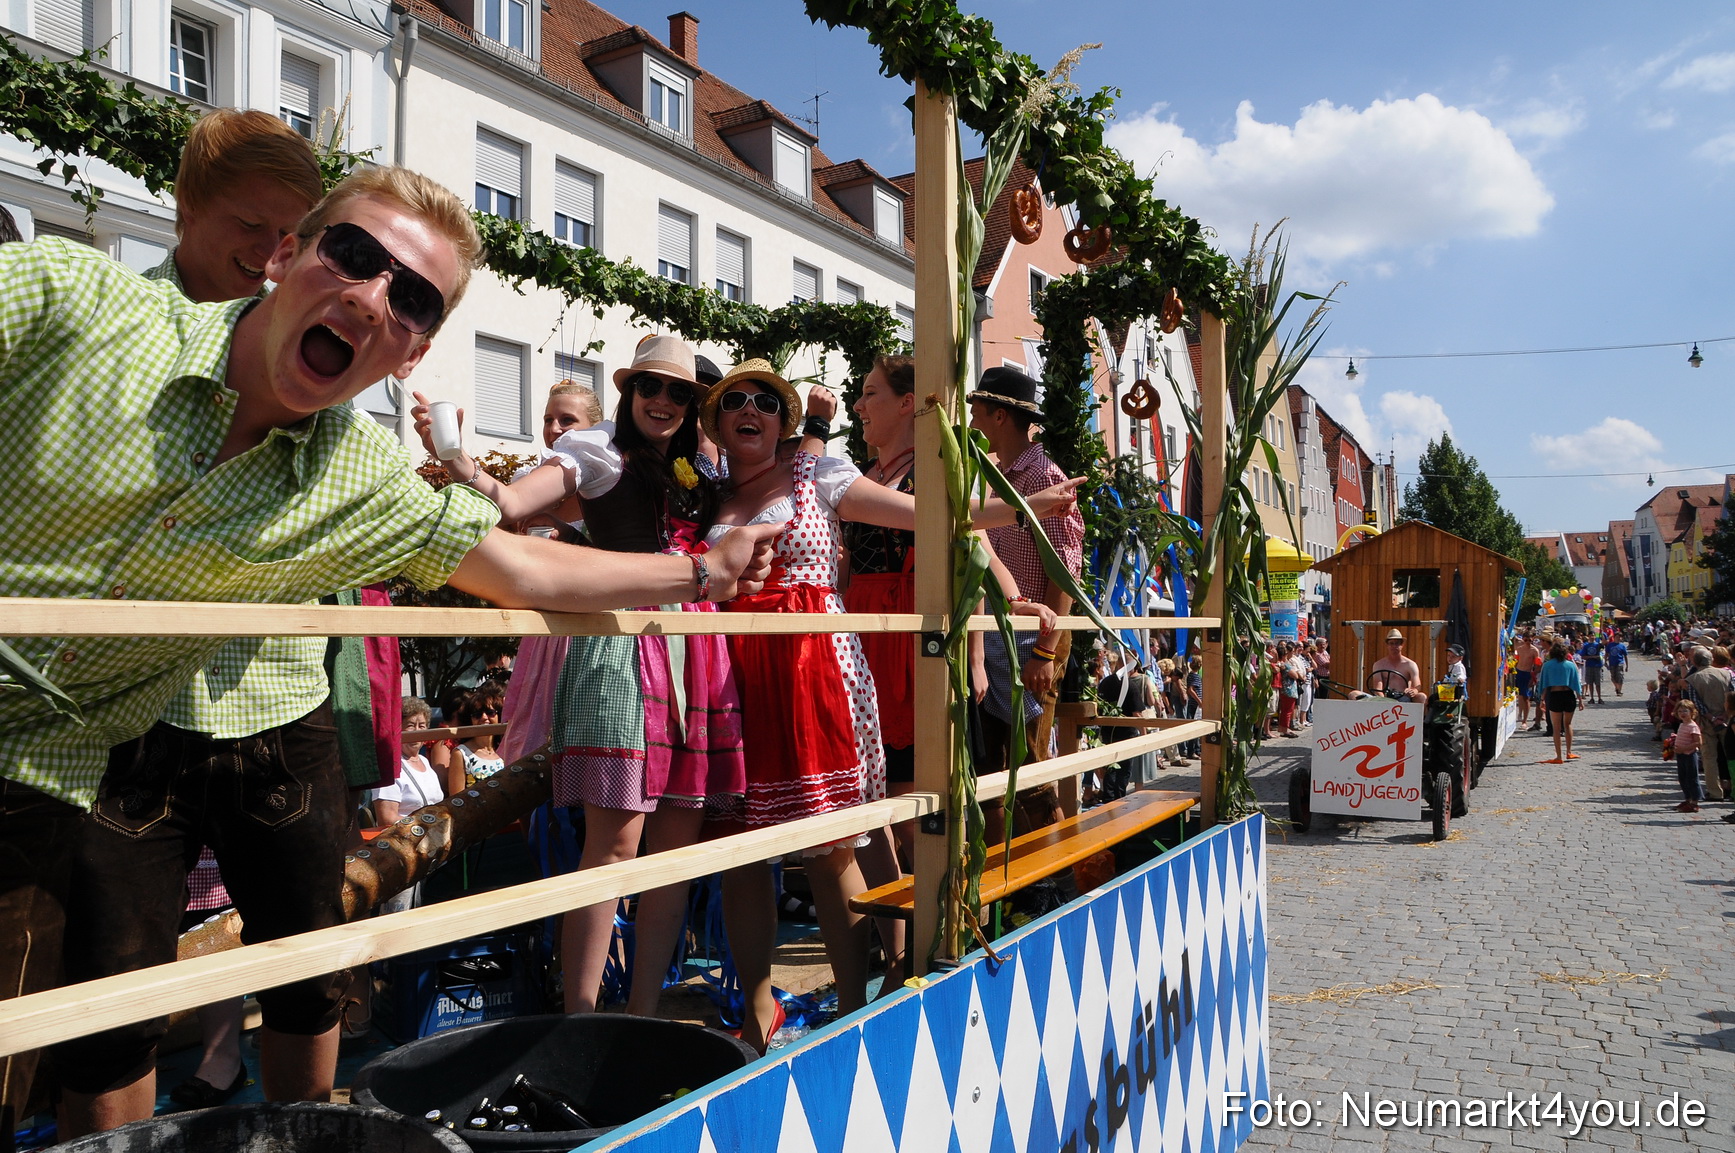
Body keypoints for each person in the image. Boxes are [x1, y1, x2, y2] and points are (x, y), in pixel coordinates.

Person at [5, 165, 777, 1137]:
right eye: (353, 255)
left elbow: (519, 568)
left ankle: (294, 1129)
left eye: (410, 297)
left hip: (65, 769)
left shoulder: (361, 476)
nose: (371, 297)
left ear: (412, 348)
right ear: (285, 256)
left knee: (289, 971)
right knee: (108, 1012)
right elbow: (517, 521)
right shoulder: (73, 301)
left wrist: (704, 572)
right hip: (92, 759)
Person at [700, 360, 1078, 1049]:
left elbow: (944, 521)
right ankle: (759, 1017)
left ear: (785, 422)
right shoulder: (704, 495)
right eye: (733, 401)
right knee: (743, 847)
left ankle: (860, 1002)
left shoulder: (824, 474)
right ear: (716, 424)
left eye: (764, 400)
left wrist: (1020, 515)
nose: (748, 409)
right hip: (734, 674)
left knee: (841, 836)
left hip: (819, 665)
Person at [415, 332, 747, 1019]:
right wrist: (455, 457)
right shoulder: (596, 450)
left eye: (678, 392)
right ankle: (583, 1020)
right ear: (629, 392)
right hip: (619, 642)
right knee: (614, 845)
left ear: (692, 405)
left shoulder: (697, 469)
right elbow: (510, 504)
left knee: (671, 852)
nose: (662, 400)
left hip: (693, 649)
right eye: (649, 386)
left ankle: (642, 1018)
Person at [125, 108, 327, 1121]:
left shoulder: (311, 336)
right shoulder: (121, 323)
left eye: (291, 235)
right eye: (253, 226)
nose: (271, 255)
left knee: (307, 967)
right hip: (133, 701)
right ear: (187, 204)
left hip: (281, 691)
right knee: (109, 1004)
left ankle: (308, 1143)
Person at [967, 367, 1086, 824]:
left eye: (977, 409)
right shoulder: (1003, 473)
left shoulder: (1041, 477)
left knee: (1031, 770)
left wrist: (1044, 652)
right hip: (1008, 633)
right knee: (995, 770)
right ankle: (1020, 883)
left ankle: (1055, 886)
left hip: (1033, 637)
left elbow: (1066, 575)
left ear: (999, 415)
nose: (972, 419)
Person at [1681, 648, 1730, 803]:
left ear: (1694, 661)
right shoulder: (1727, 674)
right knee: (1730, 756)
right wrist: (1724, 714)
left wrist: (1712, 717)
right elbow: (1731, 695)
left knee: (1709, 758)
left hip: (1707, 722)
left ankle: (1715, 792)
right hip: (1727, 720)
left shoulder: (1693, 679)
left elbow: (1696, 703)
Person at [1536, 641, 1583, 764]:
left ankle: (1558, 756)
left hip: (1555, 696)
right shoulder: (1571, 665)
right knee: (1567, 724)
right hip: (1568, 695)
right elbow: (1576, 684)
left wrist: (1542, 700)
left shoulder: (1547, 665)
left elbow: (1544, 684)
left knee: (1556, 728)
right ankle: (1569, 752)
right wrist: (1580, 700)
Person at [1368, 629, 1427, 702]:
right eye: (1391, 643)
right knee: (1354, 694)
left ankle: (1421, 713)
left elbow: (1417, 686)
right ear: (1387, 645)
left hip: (1404, 698)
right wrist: (1385, 701)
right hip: (1385, 698)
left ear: (1402, 645)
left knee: (1422, 696)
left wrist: (1413, 691)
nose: (1394, 646)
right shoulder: (1379, 665)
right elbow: (1378, 689)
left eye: (1397, 643)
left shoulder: (1410, 664)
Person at [1671, 699, 1704, 814]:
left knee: (1692, 778)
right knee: (1683, 778)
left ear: (1692, 712)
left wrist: (1684, 748)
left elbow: (1698, 742)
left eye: (1685, 711)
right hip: (1681, 755)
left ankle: (1695, 802)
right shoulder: (1682, 724)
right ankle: (1688, 799)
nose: (1682, 713)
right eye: (1680, 711)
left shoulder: (1692, 726)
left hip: (1690, 755)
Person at [1512, 631, 1539, 728]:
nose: (1527, 642)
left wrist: (1533, 677)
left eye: (1529, 640)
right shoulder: (1519, 649)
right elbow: (1515, 661)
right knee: (1519, 695)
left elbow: (1537, 665)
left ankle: (1525, 720)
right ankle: (1520, 714)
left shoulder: (1534, 650)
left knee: (1526, 697)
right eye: (1525, 640)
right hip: (1519, 672)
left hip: (1527, 673)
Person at [1579, 635, 1605, 705]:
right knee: (1590, 683)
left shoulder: (1598, 645)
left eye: (1593, 636)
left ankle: (1599, 698)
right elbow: (1583, 656)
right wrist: (1592, 657)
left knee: (1598, 683)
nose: (1592, 637)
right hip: (1589, 665)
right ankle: (1592, 698)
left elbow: (1602, 654)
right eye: (1591, 636)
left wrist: (1602, 642)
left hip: (1597, 666)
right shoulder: (1586, 646)